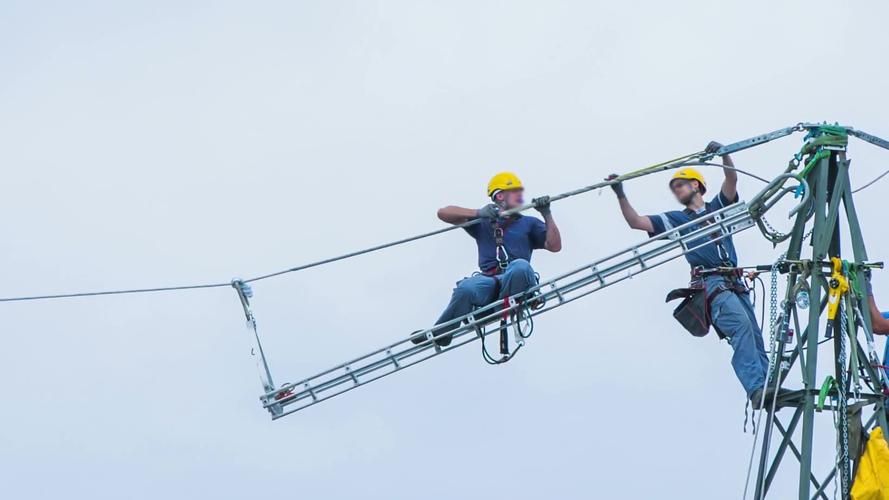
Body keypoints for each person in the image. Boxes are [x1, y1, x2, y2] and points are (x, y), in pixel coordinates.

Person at [607, 142, 777, 408]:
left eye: (681, 185)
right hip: (712, 284)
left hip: (734, 282)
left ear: (696, 185)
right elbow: (636, 222)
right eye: (675, 188)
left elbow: (731, 177)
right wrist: (619, 193)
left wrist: (724, 154)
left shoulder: (718, 207)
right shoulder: (677, 219)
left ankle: (769, 386)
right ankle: (757, 388)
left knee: (754, 334)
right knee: (741, 326)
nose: (677, 191)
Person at [412, 172, 562, 347]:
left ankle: (505, 305)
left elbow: (554, 246)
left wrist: (547, 214)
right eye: (515, 192)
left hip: (517, 280)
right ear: (500, 196)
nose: (521, 196)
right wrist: (478, 213)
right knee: (466, 288)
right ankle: (443, 332)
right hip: (490, 283)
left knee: (519, 266)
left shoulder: (528, 223)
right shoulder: (483, 222)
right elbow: (443, 213)